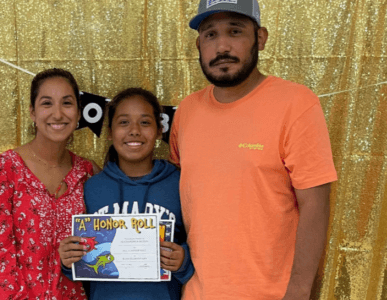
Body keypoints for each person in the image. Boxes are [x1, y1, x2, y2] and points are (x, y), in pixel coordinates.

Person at [169, 1, 338, 299]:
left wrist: (298, 291)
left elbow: (315, 205)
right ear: (198, 44)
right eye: (210, 34)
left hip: (273, 293)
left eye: (235, 31)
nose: (222, 46)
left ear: (260, 38)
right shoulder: (187, 111)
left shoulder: (296, 103)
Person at [58, 88, 194, 300]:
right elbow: (82, 266)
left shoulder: (179, 183)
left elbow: (202, 247)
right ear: (110, 132)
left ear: (160, 130)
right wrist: (69, 261)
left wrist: (183, 261)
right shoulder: (92, 187)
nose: (134, 130)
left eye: (145, 122)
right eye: (123, 122)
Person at [0, 68, 100, 299]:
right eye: (47, 103)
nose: (57, 114)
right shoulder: (2, 170)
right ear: (33, 113)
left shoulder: (88, 173)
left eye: (67, 103)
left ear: (78, 112)